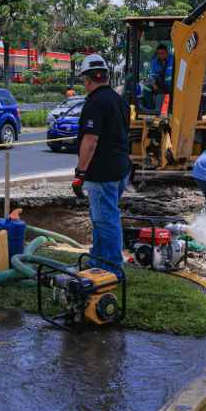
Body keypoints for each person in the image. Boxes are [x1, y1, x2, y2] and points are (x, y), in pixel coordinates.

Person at [70, 54, 131, 275]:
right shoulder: (120, 101)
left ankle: (113, 267)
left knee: (106, 220)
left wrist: (80, 173)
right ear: (106, 76)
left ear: (87, 80)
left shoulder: (94, 103)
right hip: (121, 169)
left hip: (102, 172)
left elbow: (90, 141)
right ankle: (98, 260)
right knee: (101, 217)